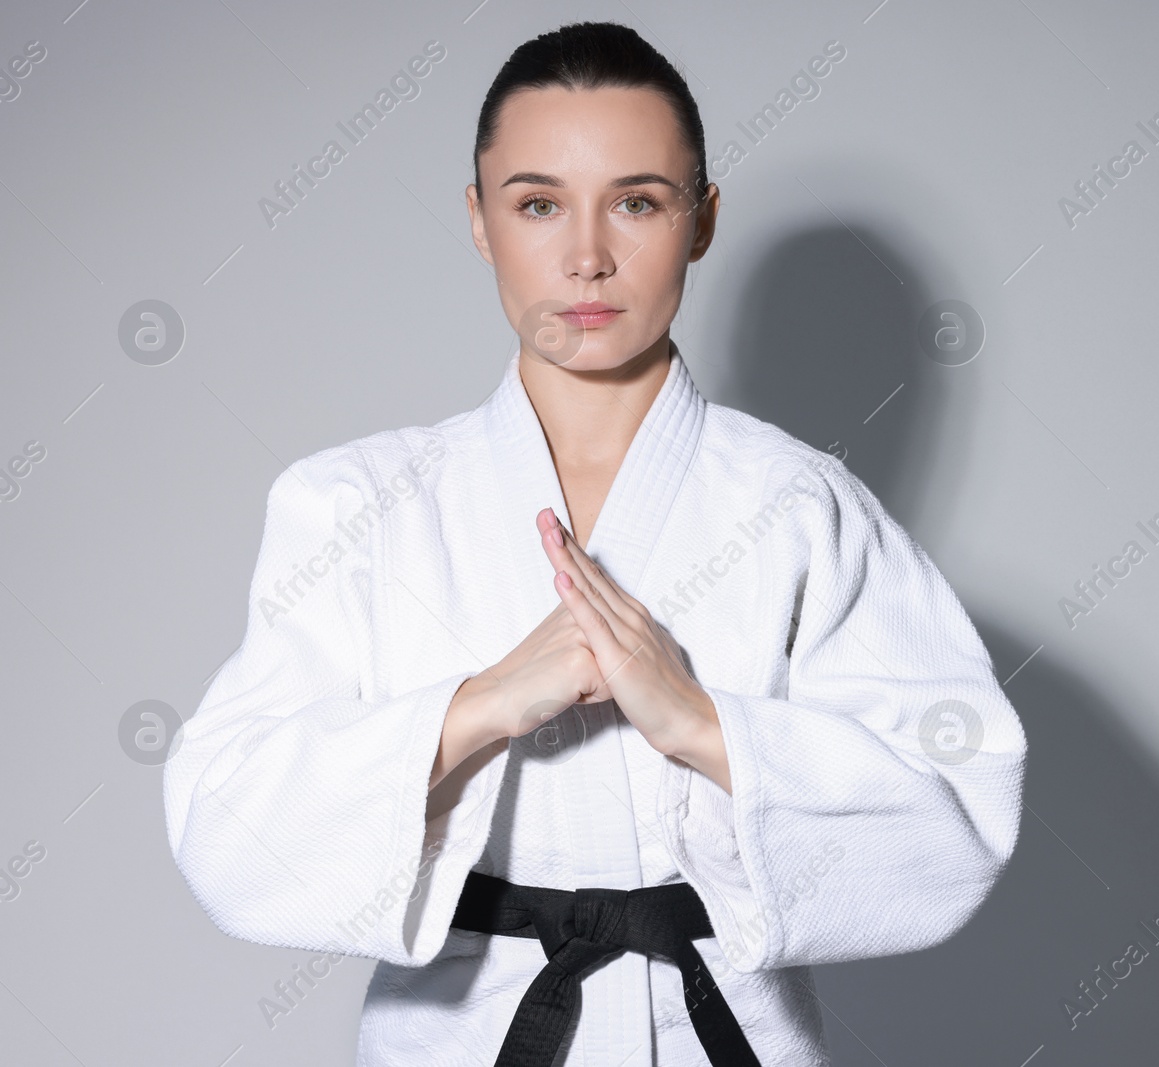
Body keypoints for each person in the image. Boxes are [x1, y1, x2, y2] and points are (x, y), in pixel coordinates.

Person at [163, 20, 1026, 1067]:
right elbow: (225, 828)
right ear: (479, 220)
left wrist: (704, 723)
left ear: (701, 221)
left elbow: (959, 815)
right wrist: (477, 706)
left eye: (637, 201)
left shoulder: (804, 506)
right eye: (536, 203)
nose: (585, 256)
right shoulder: (354, 506)